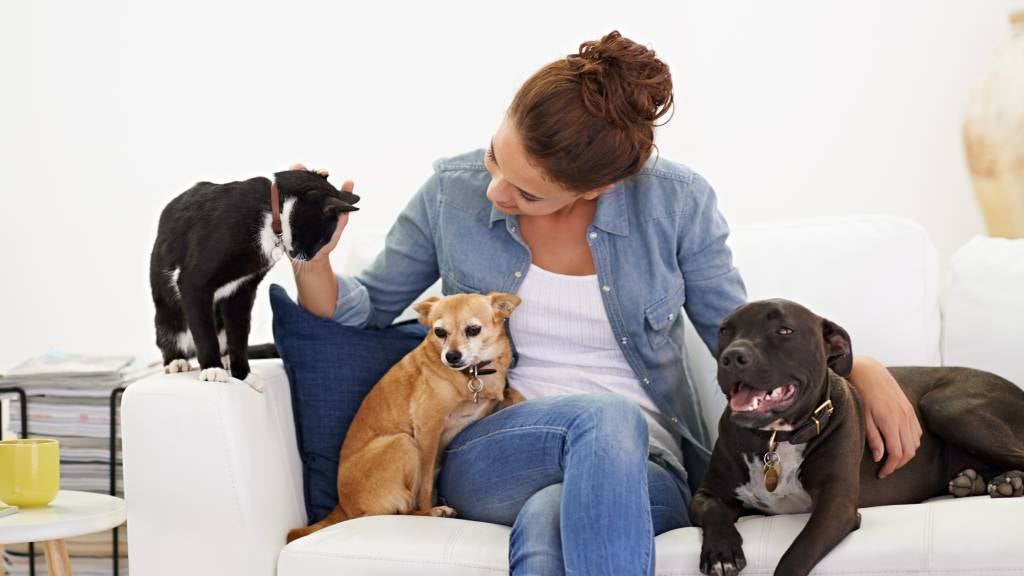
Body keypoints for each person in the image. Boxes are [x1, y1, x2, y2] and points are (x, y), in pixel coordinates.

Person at [290, 30, 922, 576]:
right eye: (493, 156)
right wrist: (311, 259)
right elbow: (366, 308)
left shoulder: (676, 203)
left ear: (598, 187)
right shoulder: (451, 194)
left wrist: (853, 367)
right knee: (604, 417)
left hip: (647, 465)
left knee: (549, 517)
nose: (495, 190)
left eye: (527, 193)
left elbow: (737, 337)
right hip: (496, 449)